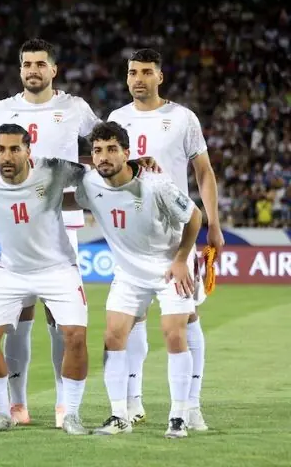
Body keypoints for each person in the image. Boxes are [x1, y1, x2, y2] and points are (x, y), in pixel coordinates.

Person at [0, 38, 100, 427]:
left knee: (59, 317)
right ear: (20, 70)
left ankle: (64, 403)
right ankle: (17, 403)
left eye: (39, 64)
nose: (32, 70)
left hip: (61, 219)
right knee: (18, 314)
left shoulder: (75, 107)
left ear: (53, 70)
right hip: (17, 221)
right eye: (26, 64)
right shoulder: (4, 109)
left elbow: (102, 144)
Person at [0, 123, 90, 435]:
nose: (7, 156)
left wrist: (133, 166)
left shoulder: (53, 170)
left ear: (29, 151)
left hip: (58, 269)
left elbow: (94, 174)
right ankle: (2, 412)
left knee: (75, 336)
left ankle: (72, 414)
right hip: (10, 270)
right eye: (0, 149)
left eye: (15, 149)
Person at [108, 48, 223, 429]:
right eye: (132, 72)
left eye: (146, 72)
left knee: (186, 318)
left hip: (177, 236)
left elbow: (203, 172)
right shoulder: (117, 119)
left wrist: (215, 224)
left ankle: (191, 406)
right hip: (131, 237)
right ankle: (133, 403)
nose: (138, 78)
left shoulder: (182, 118)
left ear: (160, 77)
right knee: (130, 320)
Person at [66, 122, 202, 438]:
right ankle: (118, 415)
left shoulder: (156, 185)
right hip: (129, 274)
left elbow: (194, 216)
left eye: (112, 149)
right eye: (97, 151)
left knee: (172, 333)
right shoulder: (91, 183)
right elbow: (76, 200)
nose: (103, 157)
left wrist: (182, 259)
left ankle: (178, 417)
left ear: (128, 153)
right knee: (113, 336)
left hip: (169, 268)